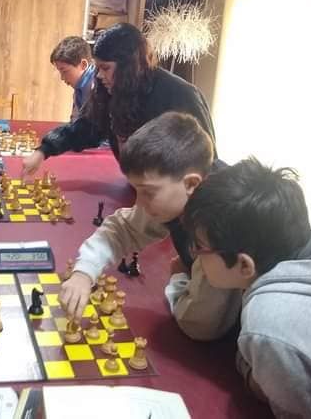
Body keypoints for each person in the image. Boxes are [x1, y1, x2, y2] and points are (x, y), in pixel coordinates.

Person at [183, 158, 311, 417]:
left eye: (199, 247)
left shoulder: (267, 324)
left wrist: (253, 373)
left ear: (244, 265)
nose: (194, 253)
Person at [58, 112, 240, 340]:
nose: (139, 202)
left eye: (148, 192)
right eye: (137, 190)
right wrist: (84, 272)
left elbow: (200, 324)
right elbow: (122, 230)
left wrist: (179, 278)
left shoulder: (217, 230)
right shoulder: (180, 191)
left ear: (191, 184)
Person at [22, 23, 216, 177]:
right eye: (98, 68)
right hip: (140, 188)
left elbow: (206, 163)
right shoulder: (112, 90)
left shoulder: (181, 94)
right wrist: (43, 150)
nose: (99, 75)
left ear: (128, 66)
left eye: (105, 68)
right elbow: (86, 128)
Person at [49, 36, 96, 121]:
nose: (62, 78)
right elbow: (75, 120)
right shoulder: (79, 89)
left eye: (64, 71)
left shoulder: (97, 88)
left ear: (83, 65)